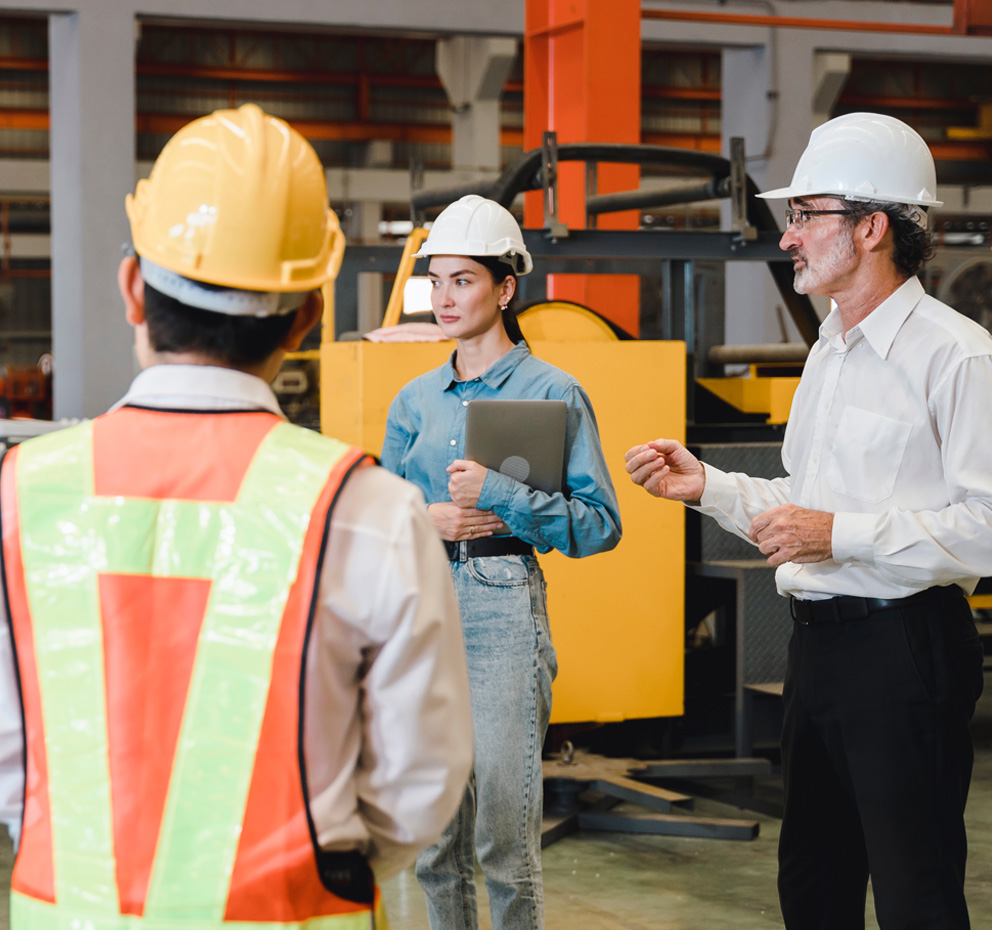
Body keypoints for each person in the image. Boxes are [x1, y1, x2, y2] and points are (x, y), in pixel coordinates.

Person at [0, 103, 473, 929]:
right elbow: (418, 788)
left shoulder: (22, 492)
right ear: (309, 315)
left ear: (131, 289)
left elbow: (11, 762)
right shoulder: (370, 511)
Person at [625, 112, 992, 930]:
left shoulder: (957, 356)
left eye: (805, 214)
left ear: (870, 228)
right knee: (813, 888)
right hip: (818, 648)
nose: (788, 237)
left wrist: (841, 535)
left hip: (906, 649)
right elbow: (802, 502)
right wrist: (709, 487)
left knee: (914, 894)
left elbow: (988, 525)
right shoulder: (829, 351)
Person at [381, 194, 621, 930]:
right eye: (437, 281)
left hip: (501, 601)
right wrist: (428, 516)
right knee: (434, 839)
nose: (444, 298)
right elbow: (383, 522)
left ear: (506, 287)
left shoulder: (554, 392)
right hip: (422, 606)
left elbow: (600, 526)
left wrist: (505, 495)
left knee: (503, 842)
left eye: (463, 280)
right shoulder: (414, 400)